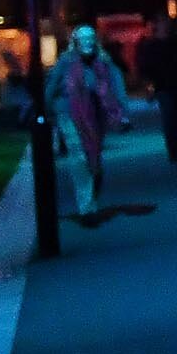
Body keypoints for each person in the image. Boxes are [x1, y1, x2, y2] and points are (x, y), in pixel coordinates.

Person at [47, 22, 131, 220]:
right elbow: (51, 87)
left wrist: (122, 113)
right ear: (75, 42)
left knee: (93, 158)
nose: (87, 42)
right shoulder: (65, 62)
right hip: (68, 113)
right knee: (78, 156)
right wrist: (47, 109)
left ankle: (92, 194)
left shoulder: (104, 62)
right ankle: (86, 207)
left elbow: (116, 86)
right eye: (82, 39)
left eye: (90, 38)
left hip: (95, 116)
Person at [136, 13, 177, 162]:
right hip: (163, 86)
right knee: (169, 116)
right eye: (162, 24)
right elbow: (145, 68)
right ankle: (173, 148)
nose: (165, 27)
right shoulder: (150, 45)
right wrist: (148, 86)